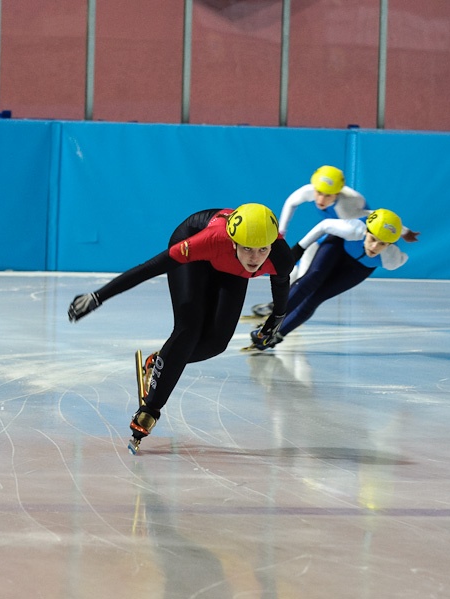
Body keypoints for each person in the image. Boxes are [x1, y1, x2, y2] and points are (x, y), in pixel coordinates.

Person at [68, 203, 294, 451]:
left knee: (216, 344)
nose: (255, 258)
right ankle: (149, 410)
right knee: (189, 328)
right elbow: (149, 268)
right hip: (195, 240)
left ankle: (159, 363)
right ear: (234, 242)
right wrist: (99, 296)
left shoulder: (280, 256)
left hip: (230, 266)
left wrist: (275, 322)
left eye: (263, 250)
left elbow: (281, 288)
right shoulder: (207, 241)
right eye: (248, 249)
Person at [252, 165, 418, 316]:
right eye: (319, 192)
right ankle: (280, 305)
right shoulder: (310, 190)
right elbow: (291, 203)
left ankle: (283, 309)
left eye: (328, 196)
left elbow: (379, 216)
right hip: (332, 230)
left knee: (307, 277)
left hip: (348, 237)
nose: (321, 200)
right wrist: (281, 234)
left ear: (338, 193)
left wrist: (404, 231)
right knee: (299, 271)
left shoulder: (348, 206)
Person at [246, 208, 408, 350]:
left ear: (389, 246)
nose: (374, 247)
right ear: (366, 231)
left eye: (382, 244)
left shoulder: (392, 259)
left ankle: (278, 335)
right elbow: (323, 226)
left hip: (360, 267)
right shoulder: (353, 229)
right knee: (311, 279)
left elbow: (403, 257)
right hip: (338, 246)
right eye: (373, 239)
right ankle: (268, 327)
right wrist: (300, 248)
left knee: (316, 297)